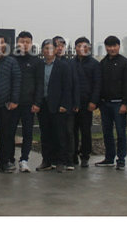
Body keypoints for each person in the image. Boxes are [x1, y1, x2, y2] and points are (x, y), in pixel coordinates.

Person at [96, 35, 127, 170]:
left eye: (114, 46)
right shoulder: (102, 63)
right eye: (109, 46)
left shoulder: (125, 63)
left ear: (118, 46)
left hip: (119, 104)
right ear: (106, 47)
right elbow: (99, 84)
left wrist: (125, 103)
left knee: (121, 132)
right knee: (107, 132)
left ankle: (121, 159)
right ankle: (109, 158)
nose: (111, 49)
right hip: (105, 104)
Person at [10, 31, 44, 173]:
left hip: (29, 104)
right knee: (9, 132)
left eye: (27, 42)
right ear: (17, 42)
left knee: (28, 133)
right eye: (22, 41)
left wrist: (37, 102)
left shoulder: (37, 61)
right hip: (12, 104)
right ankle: (9, 159)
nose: (24, 44)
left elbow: (40, 84)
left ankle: (24, 160)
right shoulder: (10, 59)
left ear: (31, 43)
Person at [36, 39, 72, 173]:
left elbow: (67, 87)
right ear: (42, 50)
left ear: (56, 50)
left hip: (58, 105)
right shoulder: (40, 65)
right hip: (43, 105)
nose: (48, 51)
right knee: (45, 134)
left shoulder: (63, 66)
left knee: (60, 134)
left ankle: (61, 161)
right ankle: (46, 161)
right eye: (46, 48)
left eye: (51, 48)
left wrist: (64, 104)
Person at [0, 35, 21, 173]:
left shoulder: (11, 62)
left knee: (6, 135)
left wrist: (14, 100)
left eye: (2, 43)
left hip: (6, 104)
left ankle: (5, 162)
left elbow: (17, 81)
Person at [69, 37, 101, 168]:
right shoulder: (71, 63)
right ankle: (73, 155)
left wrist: (93, 101)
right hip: (73, 103)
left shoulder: (94, 64)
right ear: (75, 48)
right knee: (72, 130)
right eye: (79, 46)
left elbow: (97, 84)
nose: (82, 48)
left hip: (87, 103)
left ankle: (85, 155)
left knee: (86, 131)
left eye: (85, 46)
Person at [52, 36, 80, 170]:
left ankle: (70, 160)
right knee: (56, 133)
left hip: (67, 105)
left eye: (62, 46)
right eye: (57, 45)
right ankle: (57, 159)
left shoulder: (70, 63)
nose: (59, 48)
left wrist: (75, 103)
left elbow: (74, 84)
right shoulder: (49, 62)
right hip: (53, 105)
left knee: (69, 132)